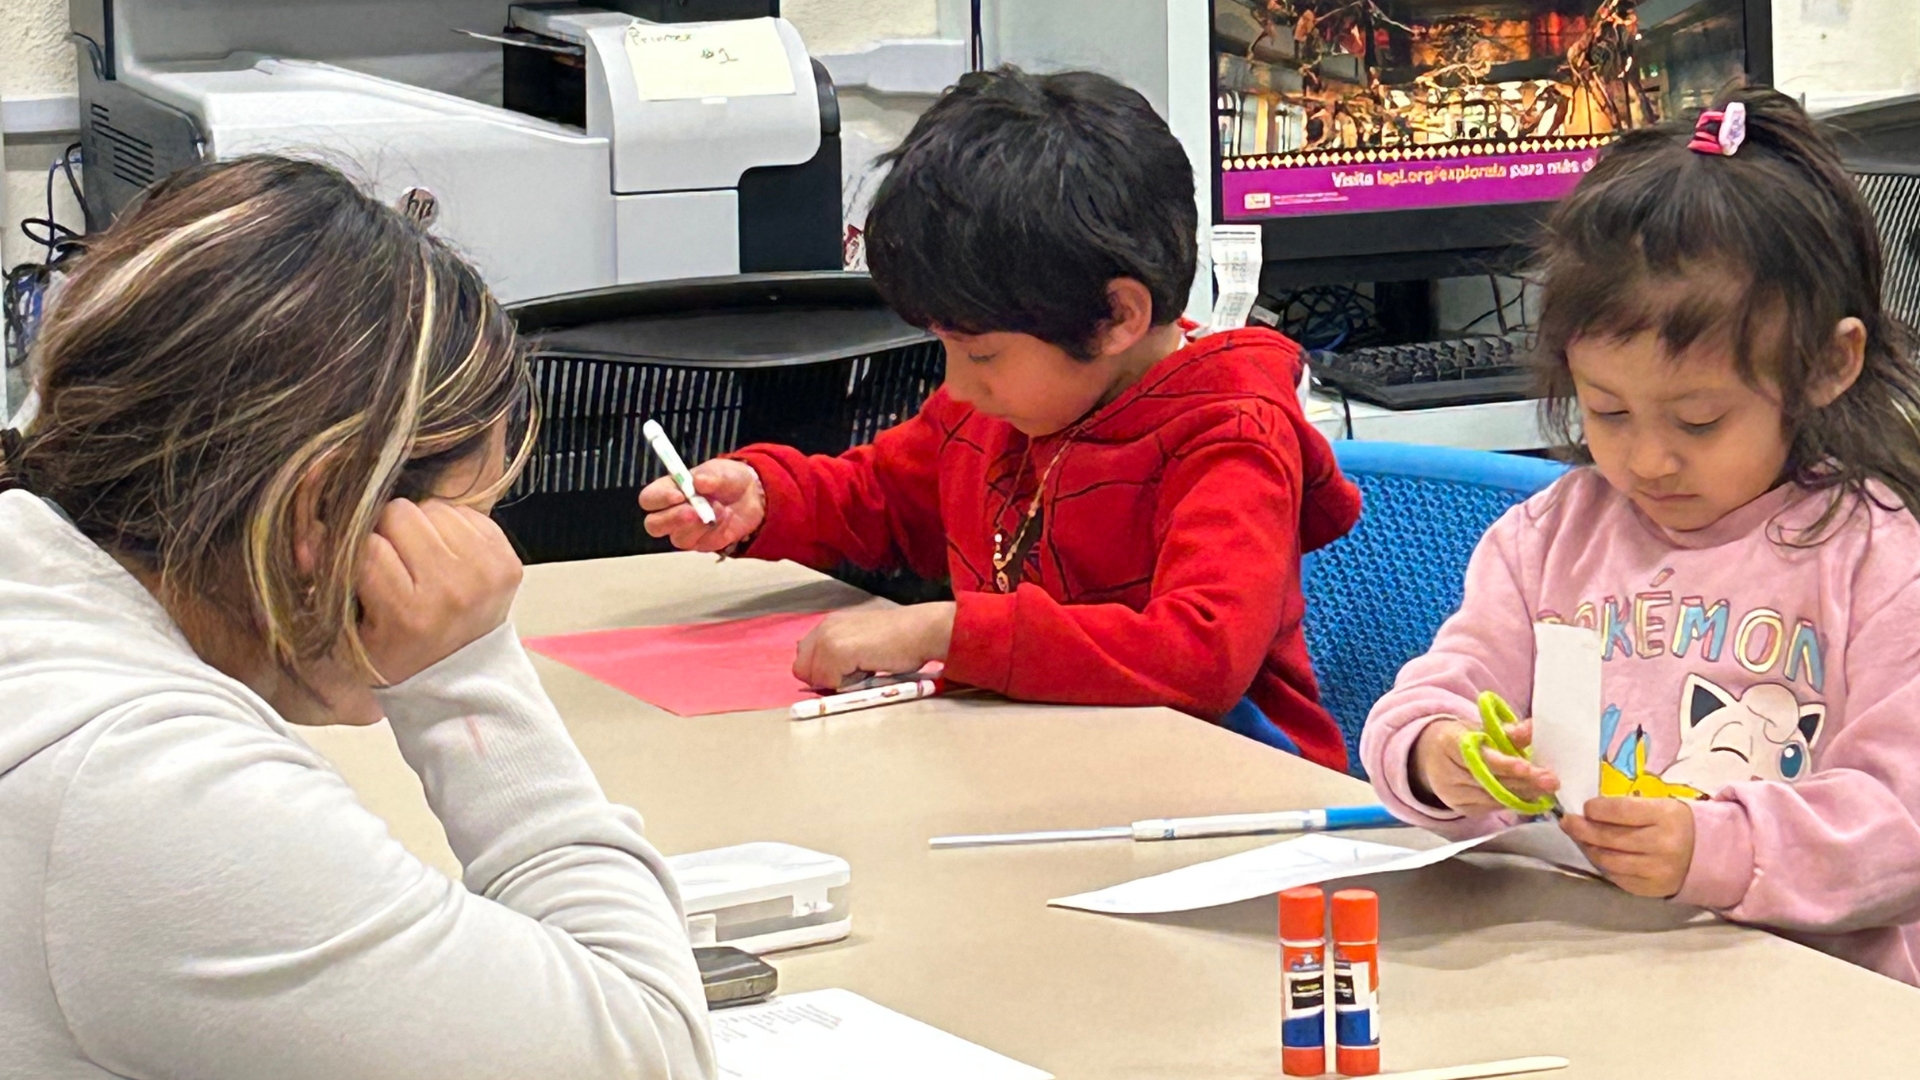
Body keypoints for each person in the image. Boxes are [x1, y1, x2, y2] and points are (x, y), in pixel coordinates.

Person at [0, 157, 714, 1077]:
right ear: (323, 513)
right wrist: (469, 678)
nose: (484, 571)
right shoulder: (146, 788)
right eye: (464, 522)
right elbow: (645, 1054)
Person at [641, 68, 1361, 769]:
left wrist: (943, 631)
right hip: (1043, 765)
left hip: (1237, 790)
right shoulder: (1003, 406)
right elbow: (888, 500)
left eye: (980, 353)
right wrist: (769, 499)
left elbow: (1201, 655)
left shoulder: (1228, 435)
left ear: (1115, 316)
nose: (957, 383)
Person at [1361, 89, 1920, 983]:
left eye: (1699, 421)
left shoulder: (1876, 561)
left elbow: (1903, 826)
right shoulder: (1549, 539)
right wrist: (1440, 757)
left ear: (1826, 366)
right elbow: (1438, 693)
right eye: (1608, 412)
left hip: (1809, 994)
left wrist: (1717, 846)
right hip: (1583, 967)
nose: (1649, 460)